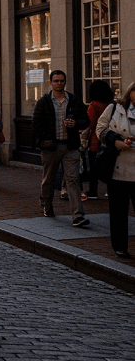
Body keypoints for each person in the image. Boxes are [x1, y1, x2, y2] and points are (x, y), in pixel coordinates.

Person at [31, 69, 90, 227]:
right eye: (56, 81)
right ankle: (47, 205)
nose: (59, 83)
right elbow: (35, 124)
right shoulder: (43, 102)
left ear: (65, 82)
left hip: (70, 147)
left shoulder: (74, 100)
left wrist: (76, 124)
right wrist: (46, 138)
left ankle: (78, 215)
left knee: (73, 180)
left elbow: (86, 120)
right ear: (50, 83)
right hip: (50, 147)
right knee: (49, 179)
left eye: (61, 81)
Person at [95, 81, 135, 258]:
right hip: (118, 167)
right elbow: (100, 129)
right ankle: (120, 246)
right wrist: (116, 140)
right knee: (118, 211)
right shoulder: (115, 108)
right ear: (130, 92)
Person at [84, 80, 114, 200]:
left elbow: (90, 124)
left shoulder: (94, 105)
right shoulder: (111, 105)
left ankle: (93, 191)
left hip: (96, 140)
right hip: (110, 139)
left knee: (94, 167)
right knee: (109, 166)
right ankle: (110, 190)